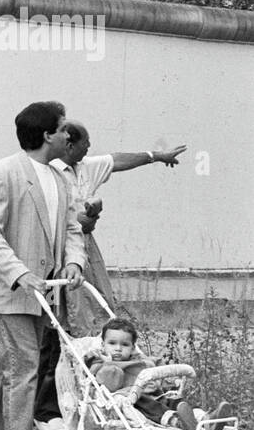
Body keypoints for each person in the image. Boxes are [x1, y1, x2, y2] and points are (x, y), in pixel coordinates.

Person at [0, 101, 85, 430]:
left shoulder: (59, 177)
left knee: (13, 365)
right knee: (25, 367)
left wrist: (74, 262)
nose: (68, 133)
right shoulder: (1, 174)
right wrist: (19, 274)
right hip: (11, 291)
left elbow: (71, 229)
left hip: (45, 289)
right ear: (46, 135)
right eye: (63, 127)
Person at [51, 123, 186, 334]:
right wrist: (77, 220)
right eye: (85, 142)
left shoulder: (85, 166)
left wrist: (157, 156)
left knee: (99, 301)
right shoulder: (51, 172)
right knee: (62, 311)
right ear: (69, 145)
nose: (89, 146)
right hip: (58, 248)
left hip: (85, 245)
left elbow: (117, 160)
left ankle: (97, 347)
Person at [88, 317, 235, 430]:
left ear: (133, 348)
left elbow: (158, 370)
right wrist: (106, 363)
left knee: (176, 400)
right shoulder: (100, 363)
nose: (118, 349)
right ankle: (176, 421)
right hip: (133, 400)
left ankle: (206, 419)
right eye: (112, 343)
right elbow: (104, 381)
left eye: (124, 345)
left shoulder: (143, 361)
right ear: (103, 345)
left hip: (158, 394)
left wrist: (172, 380)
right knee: (149, 404)